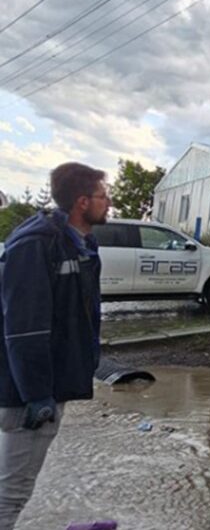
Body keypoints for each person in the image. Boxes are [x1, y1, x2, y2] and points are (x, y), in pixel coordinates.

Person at [0, 162, 110, 529]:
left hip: (41, 384)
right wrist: (37, 395)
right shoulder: (37, 245)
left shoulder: (74, 242)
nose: (108, 202)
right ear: (82, 202)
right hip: (28, 393)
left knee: (12, 483)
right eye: (102, 195)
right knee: (11, 493)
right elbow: (24, 329)